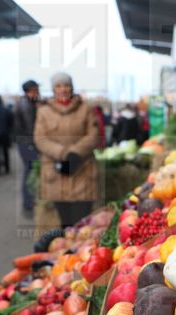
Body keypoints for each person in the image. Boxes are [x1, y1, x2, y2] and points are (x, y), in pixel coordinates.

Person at [34, 72, 99, 228]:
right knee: (65, 223)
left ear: (72, 88)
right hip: (56, 173)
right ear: (53, 89)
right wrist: (62, 153)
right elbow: (40, 139)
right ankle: (67, 252)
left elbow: (94, 135)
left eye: (66, 85)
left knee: (83, 222)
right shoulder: (44, 112)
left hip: (82, 170)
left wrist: (75, 152)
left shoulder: (85, 109)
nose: (63, 89)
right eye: (58, 86)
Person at [14, 80, 41, 216]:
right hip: (27, 143)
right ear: (31, 90)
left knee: (30, 171)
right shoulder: (26, 105)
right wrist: (37, 145)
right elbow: (32, 128)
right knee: (30, 171)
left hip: (25, 143)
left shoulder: (28, 103)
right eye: (37, 89)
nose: (39, 92)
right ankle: (28, 203)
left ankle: (30, 201)